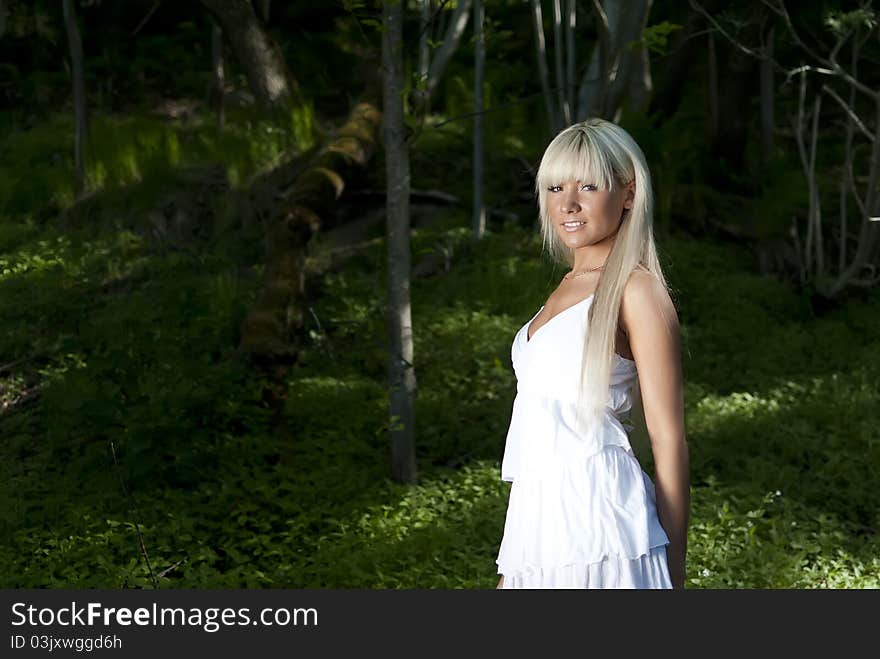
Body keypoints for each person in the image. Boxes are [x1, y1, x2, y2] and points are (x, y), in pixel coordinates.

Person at [494, 118, 690, 589]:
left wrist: (675, 571)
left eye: (589, 185)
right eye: (555, 187)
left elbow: (668, 441)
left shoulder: (636, 289)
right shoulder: (562, 290)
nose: (568, 203)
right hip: (537, 530)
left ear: (628, 193)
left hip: (604, 530)